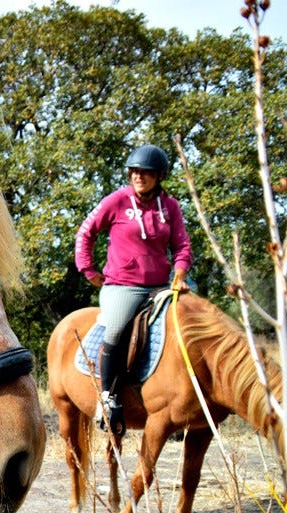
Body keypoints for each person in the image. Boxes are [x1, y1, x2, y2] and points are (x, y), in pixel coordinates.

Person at [74, 144, 193, 435]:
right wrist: (88, 270)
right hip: (122, 286)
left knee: (190, 325)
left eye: (146, 173)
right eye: (135, 172)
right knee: (115, 329)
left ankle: (182, 399)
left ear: (160, 176)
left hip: (161, 286)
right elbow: (85, 233)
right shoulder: (116, 201)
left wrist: (179, 274)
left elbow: (182, 246)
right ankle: (108, 398)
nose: (139, 177)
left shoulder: (171, 207)